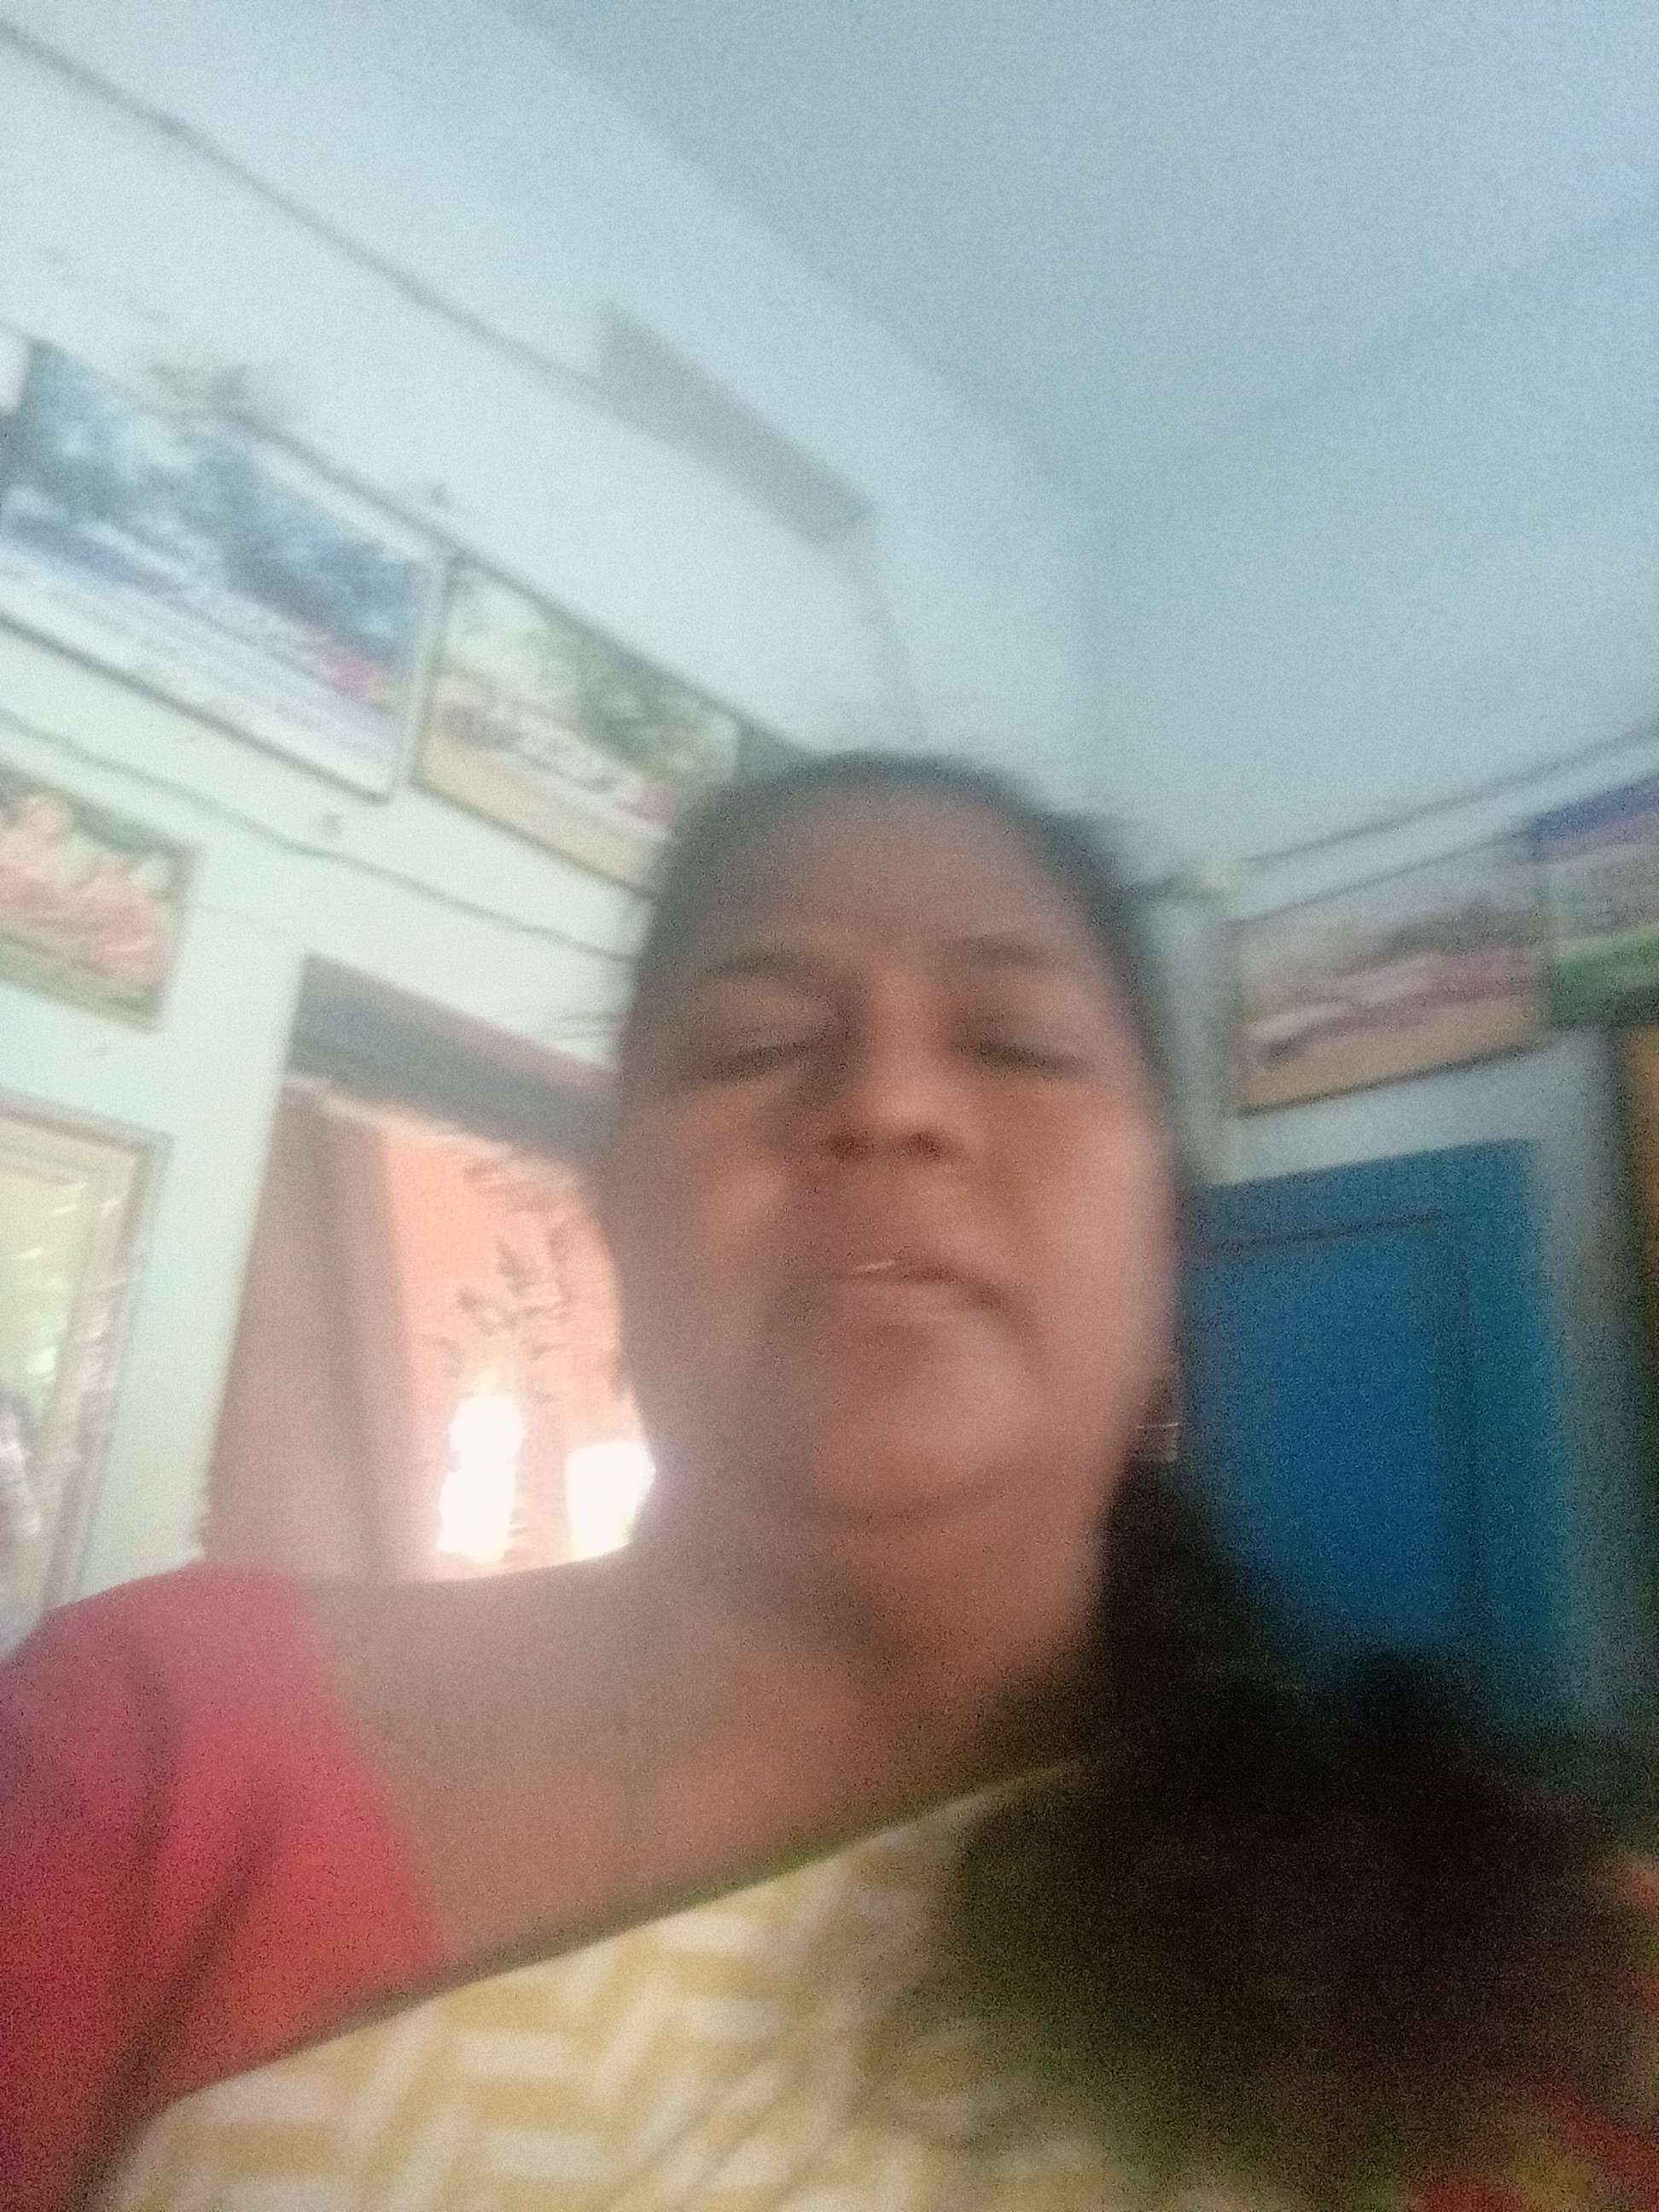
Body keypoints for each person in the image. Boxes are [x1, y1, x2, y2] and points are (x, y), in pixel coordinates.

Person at [3, 752, 1653, 2211]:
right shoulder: (159, 1750)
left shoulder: (1502, 1964)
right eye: (755, 1044)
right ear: (613, 1211)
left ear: (1165, 1246)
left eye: (1015, 1043)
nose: (889, 1103)